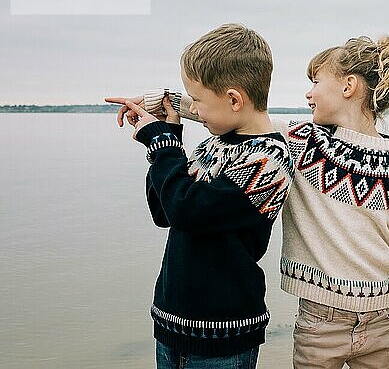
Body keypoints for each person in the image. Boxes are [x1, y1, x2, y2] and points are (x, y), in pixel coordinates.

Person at [128, 34, 389, 369]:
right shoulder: (303, 140)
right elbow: (234, 111)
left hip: (383, 322)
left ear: (348, 86)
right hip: (319, 321)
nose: (308, 92)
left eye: (316, 82)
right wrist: (160, 103)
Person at [105, 23, 294, 369]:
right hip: (172, 322)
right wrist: (168, 134)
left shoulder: (268, 161)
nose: (196, 111)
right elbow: (164, 209)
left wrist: (163, 145)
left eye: (199, 102)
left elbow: (186, 209)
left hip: (223, 337)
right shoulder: (213, 144)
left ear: (234, 100)